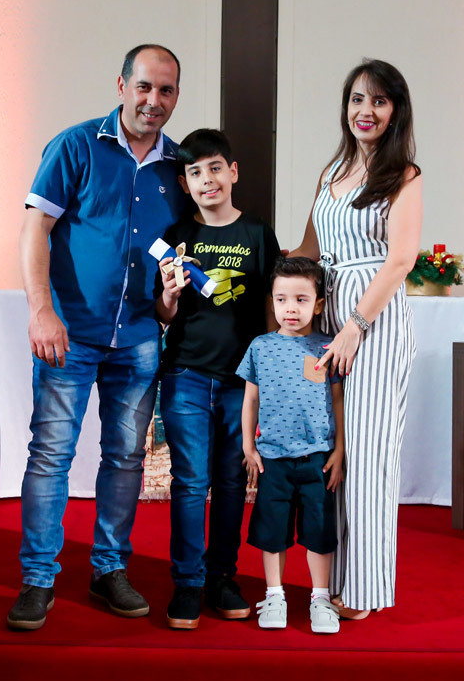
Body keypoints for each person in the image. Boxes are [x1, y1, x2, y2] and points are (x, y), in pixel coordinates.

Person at [7, 44, 186, 631]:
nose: (153, 100)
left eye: (166, 90)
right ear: (121, 85)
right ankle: (38, 578)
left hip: (139, 338)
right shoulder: (76, 146)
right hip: (70, 334)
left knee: (126, 458)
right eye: (144, 86)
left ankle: (109, 569)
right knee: (50, 455)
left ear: (175, 97)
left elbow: (180, 254)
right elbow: (35, 228)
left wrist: (168, 306)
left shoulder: (179, 168)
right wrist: (41, 311)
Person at [290, 59, 422, 618]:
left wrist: (355, 327)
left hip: (373, 323)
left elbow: (401, 260)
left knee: (368, 454)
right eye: (357, 100)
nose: (365, 111)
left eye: (379, 101)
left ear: (395, 112)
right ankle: (333, 579)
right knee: (332, 452)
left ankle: (364, 588)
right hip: (327, 319)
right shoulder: (332, 171)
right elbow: (308, 250)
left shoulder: (403, 175)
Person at [155, 128, 280, 630]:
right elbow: (163, 314)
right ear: (184, 184)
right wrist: (169, 295)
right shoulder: (174, 237)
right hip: (185, 375)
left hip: (239, 384)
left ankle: (222, 576)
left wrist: (268, 375)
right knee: (189, 482)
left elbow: (272, 309)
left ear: (233, 172)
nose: (206, 179)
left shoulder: (258, 235)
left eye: (214, 168)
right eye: (195, 172)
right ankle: (187, 582)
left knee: (231, 481)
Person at [237, 257, 345, 635]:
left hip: (318, 458)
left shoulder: (328, 346)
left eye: (301, 299)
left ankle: (320, 597)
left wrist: (339, 449)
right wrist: (248, 445)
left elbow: (337, 402)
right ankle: (274, 594)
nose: (290, 308)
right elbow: (250, 399)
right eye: (282, 299)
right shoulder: (260, 347)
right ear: (272, 302)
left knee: (320, 529)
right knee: (272, 529)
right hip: (273, 459)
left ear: (318, 304)